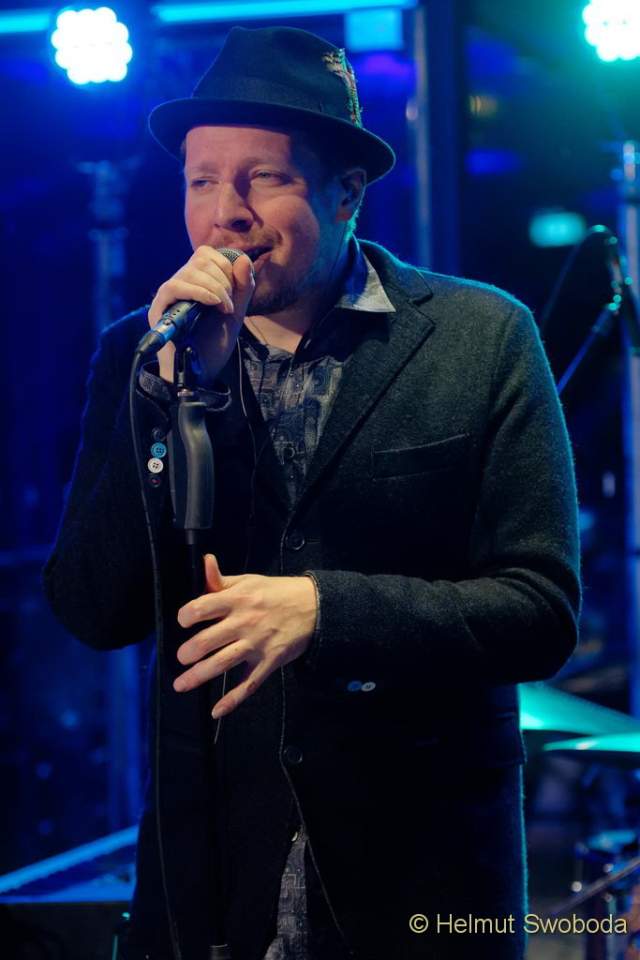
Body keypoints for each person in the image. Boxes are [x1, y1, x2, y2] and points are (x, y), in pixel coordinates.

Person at [43, 24, 581, 960]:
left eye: (264, 178)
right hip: (211, 887)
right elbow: (95, 607)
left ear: (347, 193)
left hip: (420, 883)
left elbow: (540, 612)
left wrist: (328, 612)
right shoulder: (143, 352)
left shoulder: (481, 337)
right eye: (202, 181)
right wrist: (174, 398)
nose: (227, 215)